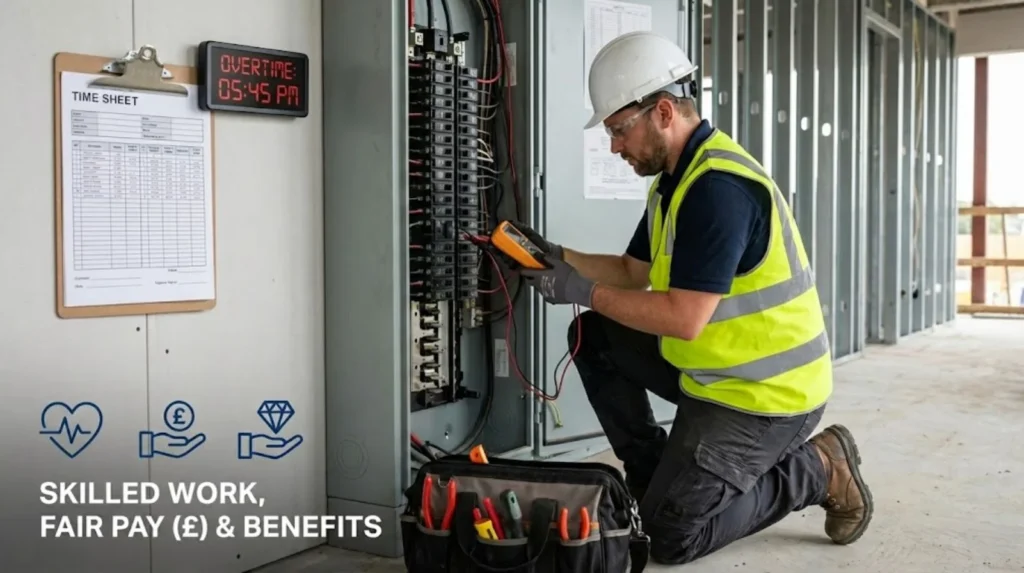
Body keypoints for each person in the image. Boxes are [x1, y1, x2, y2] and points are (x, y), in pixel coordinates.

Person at [517, 31, 873, 565]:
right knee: (592, 335)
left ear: (662, 112)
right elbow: (632, 272)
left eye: (618, 130)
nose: (614, 146)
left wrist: (580, 289)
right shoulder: (673, 182)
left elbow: (683, 318)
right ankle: (654, 480)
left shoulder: (718, 191)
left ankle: (820, 466)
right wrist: (554, 255)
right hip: (712, 372)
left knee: (667, 540)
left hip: (765, 398)